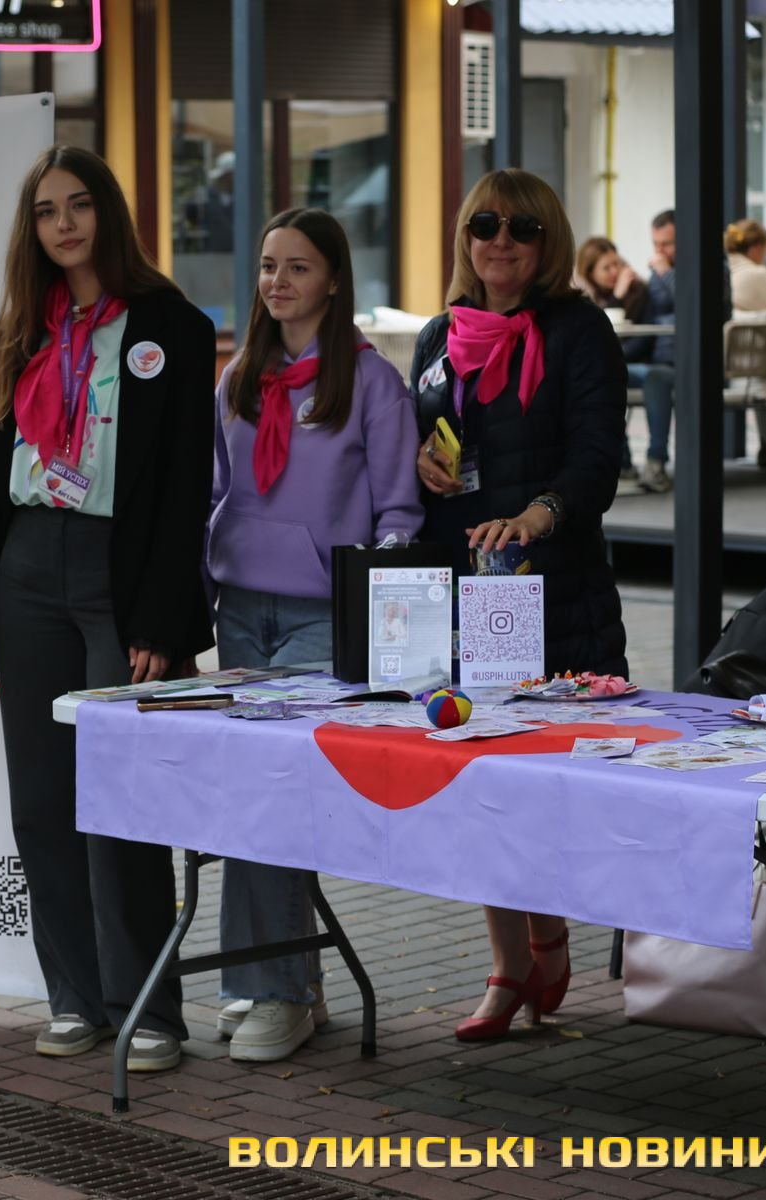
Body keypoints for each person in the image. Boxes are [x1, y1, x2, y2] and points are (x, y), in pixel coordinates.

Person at [0, 145, 216, 1073]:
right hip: (26, 569)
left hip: (119, 574)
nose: (63, 225)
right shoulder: (17, 333)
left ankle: (149, 1010)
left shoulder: (170, 326)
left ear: (109, 212)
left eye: (79, 205)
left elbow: (184, 488)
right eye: (46, 211)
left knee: (120, 800)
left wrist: (162, 623)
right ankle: (74, 998)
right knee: (42, 801)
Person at [411, 168, 628, 1042]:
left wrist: (540, 514)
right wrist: (424, 465)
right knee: (474, 784)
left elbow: (599, 456)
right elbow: (436, 450)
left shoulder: (578, 329)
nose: (500, 242)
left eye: (522, 229)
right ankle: (508, 965)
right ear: (465, 236)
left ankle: (550, 931)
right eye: (485, 225)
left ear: (549, 243)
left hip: (557, 591)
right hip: (465, 594)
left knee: (548, 783)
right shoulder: (439, 336)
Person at [206, 208, 422, 1061]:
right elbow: (214, 492)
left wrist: (380, 611)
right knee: (249, 796)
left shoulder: (371, 384)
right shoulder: (238, 377)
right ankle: (273, 978)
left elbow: (400, 510)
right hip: (239, 610)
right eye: (268, 265)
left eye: (298, 266)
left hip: (321, 618)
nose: (278, 281)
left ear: (334, 279)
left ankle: (278, 990)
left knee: (274, 792)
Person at [576, 236, 674, 493]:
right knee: (600, 377)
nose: (614, 272)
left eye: (616, 264)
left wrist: (613, 357)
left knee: (656, 376)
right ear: (590, 272)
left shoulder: (638, 291)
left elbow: (645, 340)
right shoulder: (582, 299)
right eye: (606, 268)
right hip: (607, 368)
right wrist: (617, 297)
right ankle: (621, 461)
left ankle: (655, 462)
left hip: (637, 365)